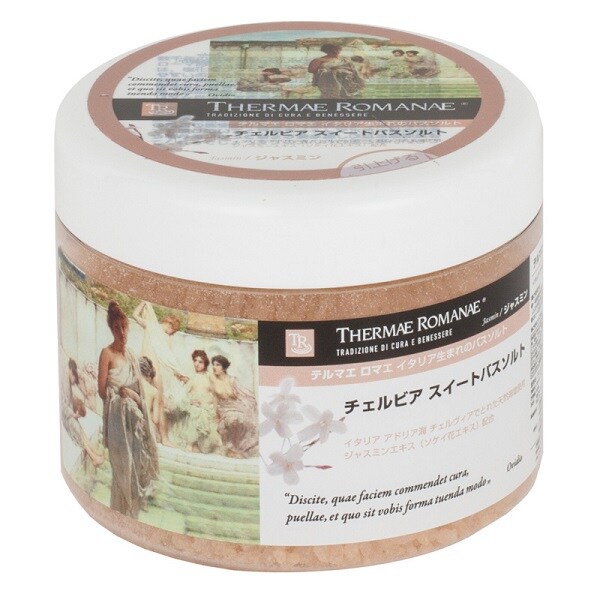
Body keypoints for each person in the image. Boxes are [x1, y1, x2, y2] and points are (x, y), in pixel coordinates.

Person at [98, 301, 159, 518]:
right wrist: (119, 398)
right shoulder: (107, 353)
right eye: (117, 328)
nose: (122, 332)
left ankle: (132, 517)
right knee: (123, 469)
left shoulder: (132, 355)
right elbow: (102, 391)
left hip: (135, 420)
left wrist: (131, 396)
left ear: (128, 327)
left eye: (124, 327)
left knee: (136, 466)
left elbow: (139, 394)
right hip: (118, 419)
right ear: (111, 328)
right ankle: (119, 515)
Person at [133, 301, 189, 447]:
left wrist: (143, 303)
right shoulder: (159, 332)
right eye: (173, 330)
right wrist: (179, 373)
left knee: (149, 399)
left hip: (145, 366)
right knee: (158, 401)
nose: (172, 333)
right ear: (170, 326)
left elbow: (135, 315)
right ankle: (162, 437)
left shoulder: (151, 327)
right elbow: (168, 359)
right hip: (151, 368)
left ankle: (158, 434)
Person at [210, 354, 258, 458]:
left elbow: (243, 394)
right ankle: (232, 448)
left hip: (236, 405)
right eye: (213, 364)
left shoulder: (232, 380)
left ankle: (238, 449)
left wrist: (246, 405)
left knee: (242, 419)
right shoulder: (213, 380)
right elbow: (215, 398)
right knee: (232, 419)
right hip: (224, 408)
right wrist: (216, 413)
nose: (214, 367)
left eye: (217, 365)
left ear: (224, 367)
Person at [61, 358, 105, 467]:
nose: (74, 380)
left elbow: (69, 400)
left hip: (70, 414)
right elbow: (64, 406)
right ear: (70, 371)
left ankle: (93, 450)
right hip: (67, 417)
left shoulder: (68, 380)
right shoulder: (64, 381)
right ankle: (94, 457)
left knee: (80, 430)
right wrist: (73, 414)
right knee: (77, 428)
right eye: (73, 376)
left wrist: (75, 409)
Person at [183, 350, 223, 454]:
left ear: (205, 363)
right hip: (196, 408)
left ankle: (207, 445)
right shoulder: (192, 377)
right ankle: (191, 444)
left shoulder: (210, 377)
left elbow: (215, 396)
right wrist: (191, 401)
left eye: (200, 362)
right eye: (195, 361)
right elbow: (184, 394)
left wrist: (215, 409)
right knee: (197, 411)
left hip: (208, 407)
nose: (197, 364)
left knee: (208, 414)